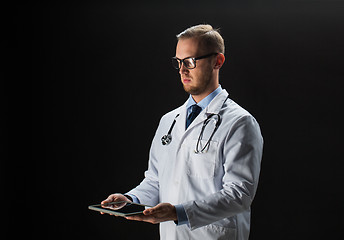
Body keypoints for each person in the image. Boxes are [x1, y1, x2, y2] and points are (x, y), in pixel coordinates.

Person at [101, 24, 263, 240]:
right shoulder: (169, 121)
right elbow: (155, 181)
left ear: (218, 61)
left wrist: (179, 213)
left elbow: (239, 195)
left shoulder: (240, 122)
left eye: (190, 61)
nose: (182, 70)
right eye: (178, 62)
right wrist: (132, 199)